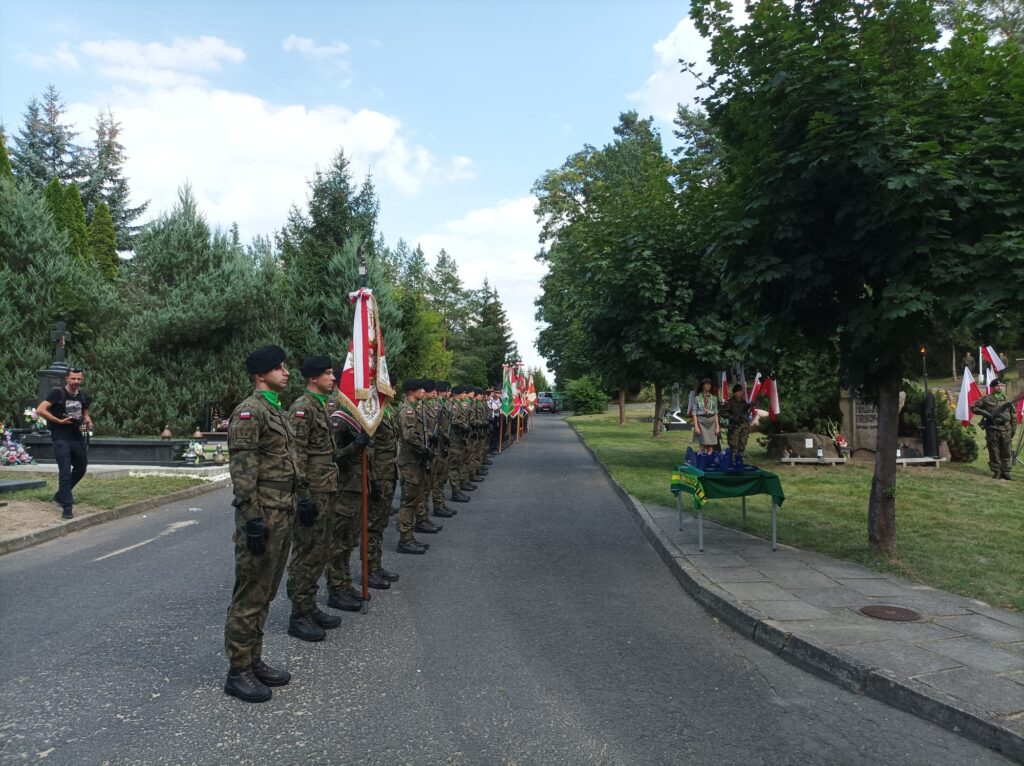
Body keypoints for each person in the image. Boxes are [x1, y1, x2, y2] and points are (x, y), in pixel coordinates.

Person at [223, 345, 303, 703]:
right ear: (261, 375)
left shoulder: (276, 411)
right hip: (262, 514)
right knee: (250, 593)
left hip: (282, 509)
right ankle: (237, 670)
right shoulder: (249, 412)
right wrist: (251, 517)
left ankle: (254, 660)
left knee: (266, 591)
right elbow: (243, 470)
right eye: (279, 368)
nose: (286, 372)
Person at [284, 356, 344, 642]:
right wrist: (303, 494)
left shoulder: (321, 406)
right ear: (313, 379)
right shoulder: (302, 408)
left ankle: (310, 605)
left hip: (327, 487)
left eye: (332, 373)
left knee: (320, 549)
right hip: (312, 491)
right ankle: (299, 613)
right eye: (328, 374)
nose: (333, 378)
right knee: (307, 551)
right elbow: (296, 454)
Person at [37, 367, 93, 520]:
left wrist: (88, 424)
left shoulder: (83, 397)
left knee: (81, 468)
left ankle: (61, 495)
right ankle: (67, 506)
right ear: (67, 379)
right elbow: (40, 410)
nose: (76, 382)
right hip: (60, 438)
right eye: (73, 378)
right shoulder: (58, 393)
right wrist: (58, 421)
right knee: (65, 471)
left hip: (77, 437)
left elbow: (86, 416)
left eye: (79, 379)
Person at [396, 379, 431, 554]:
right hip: (410, 461)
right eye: (420, 388)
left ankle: (409, 536)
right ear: (412, 390)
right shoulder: (407, 410)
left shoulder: (415, 407)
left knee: (415, 498)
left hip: (416, 461)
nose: (424, 391)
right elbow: (409, 437)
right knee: (408, 501)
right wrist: (424, 450)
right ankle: (405, 539)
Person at [972, 378, 1021, 480]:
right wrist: (986, 414)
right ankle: (997, 471)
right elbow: (973, 407)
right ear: (992, 387)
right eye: (997, 386)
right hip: (992, 429)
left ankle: (1006, 472)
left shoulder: (1007, 399)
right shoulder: (986, 399)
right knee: (994, 451)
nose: (1000, 387)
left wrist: (1013, 428)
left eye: (1001, 386)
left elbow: (1013, 414)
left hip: (1006, 429)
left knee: (1006, 451)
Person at [720, 383, 752, 458]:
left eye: (741, 391)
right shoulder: (730, 402)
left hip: (743, 426)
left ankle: (741, 458)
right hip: (734, 427)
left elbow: (746, 413)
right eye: (738, 391)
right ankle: (733, 459)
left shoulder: (743, 402)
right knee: (734, 445)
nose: (740, 393)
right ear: (735, 393)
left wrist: (749, 406)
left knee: (742, 443)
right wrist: (732, 417)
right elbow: (722, 412)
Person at [692, 378, 720, 455]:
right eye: (707, 384)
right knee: (702, 444)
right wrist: (696, 426)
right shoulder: (697, 398)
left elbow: (716, 413)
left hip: (711, 422)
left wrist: (717, 427)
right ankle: (702, 461)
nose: (709, 386)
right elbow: (694, 413)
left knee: (710, 445)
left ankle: (709, 461)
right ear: (703, 386)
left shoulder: (714, 398)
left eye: (710, 384)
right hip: (701, 421)